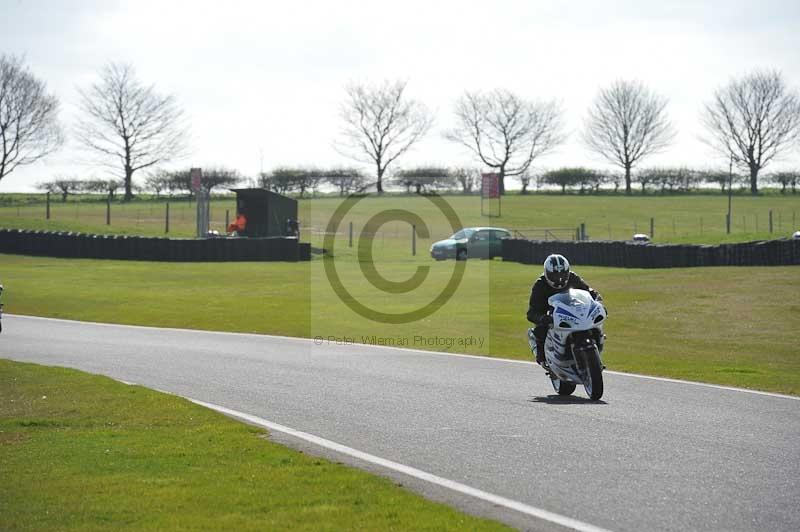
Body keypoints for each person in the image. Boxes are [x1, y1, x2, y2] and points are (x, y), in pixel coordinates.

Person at [526, 254, 601, 366]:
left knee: (593, 323)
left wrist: (595, 296)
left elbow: (586, 290)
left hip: (572, 310)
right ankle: (542, 357)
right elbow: (531, 312)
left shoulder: (572, 277)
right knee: (540, 330)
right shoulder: (540, 285)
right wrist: (542, 318)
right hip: (551, 315)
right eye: (555, 275)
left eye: (563, 274)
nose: (559, 279)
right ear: (547, 273)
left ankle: (597, 342)